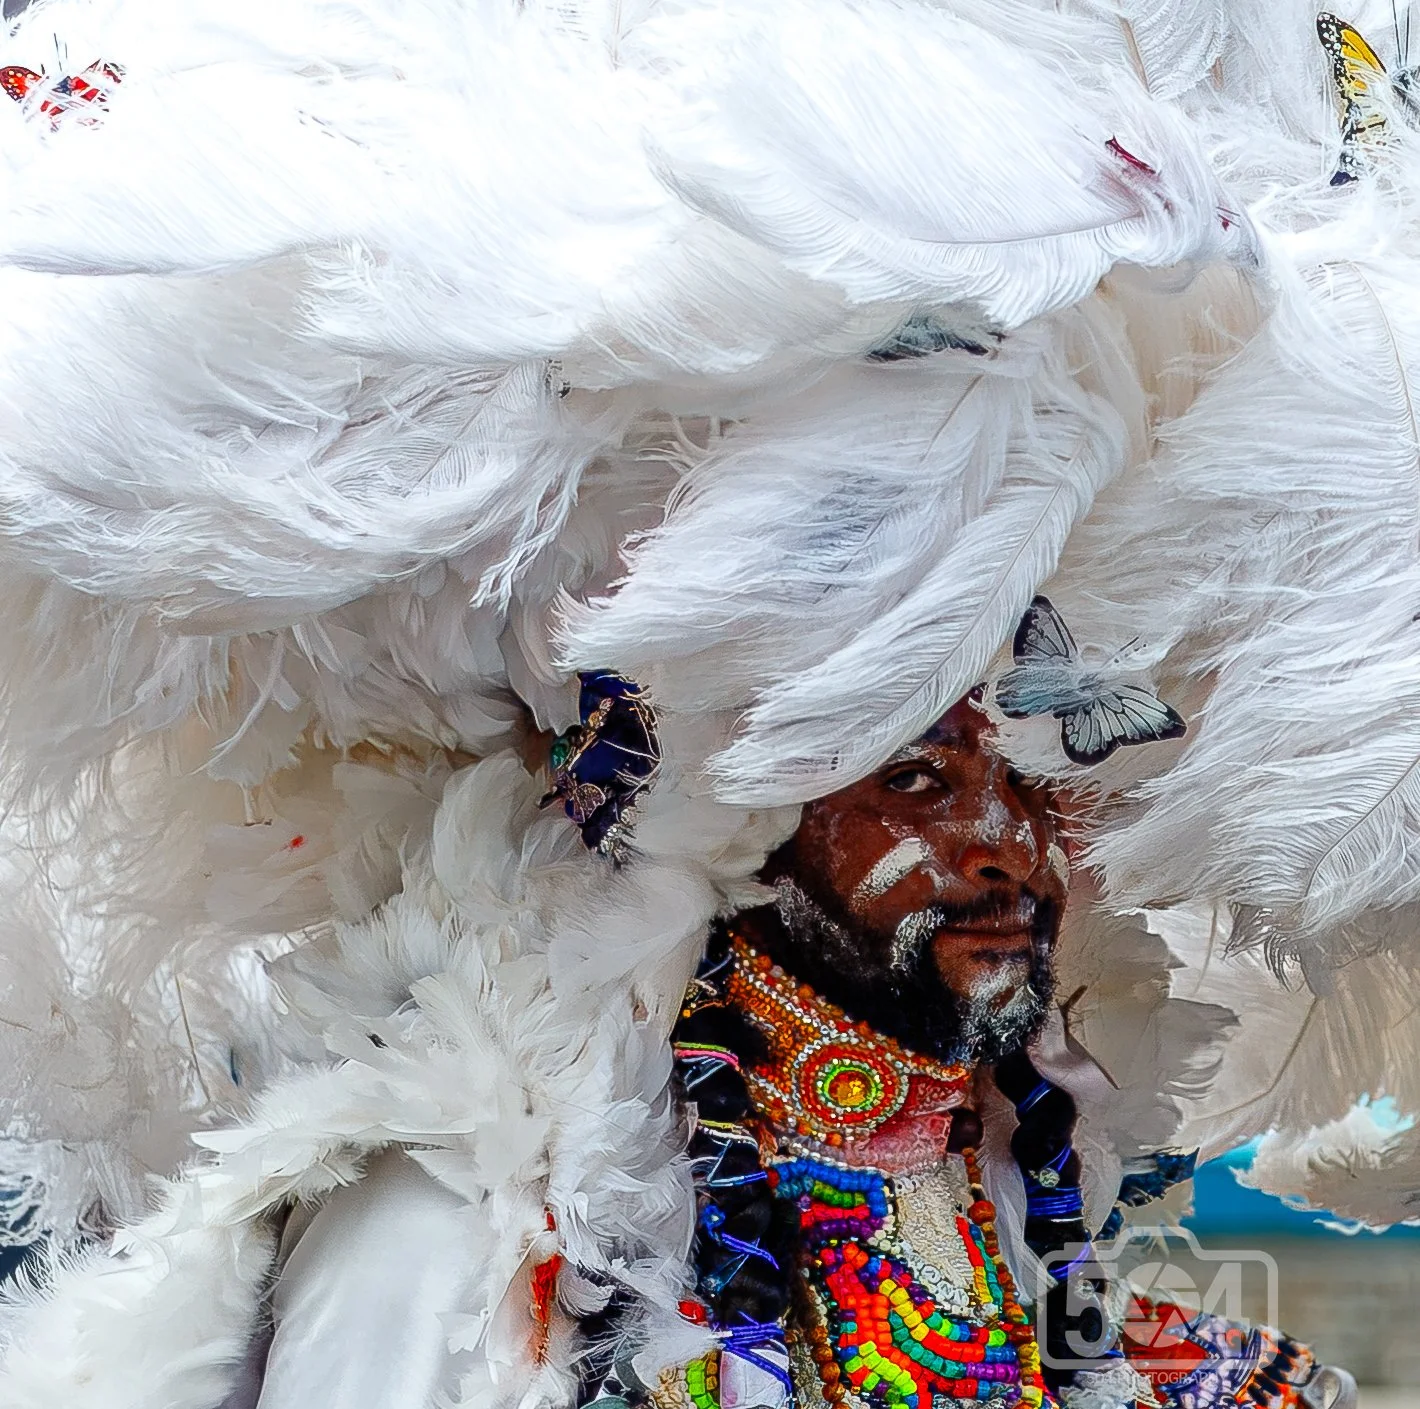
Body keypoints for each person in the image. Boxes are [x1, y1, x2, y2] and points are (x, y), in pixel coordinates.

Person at [593, 696, 1351, 1409]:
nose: (1014, 846)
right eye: (916, 779)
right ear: (741, 831)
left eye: (1028, 779)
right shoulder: (569, 1302)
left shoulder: (1205, 1368)